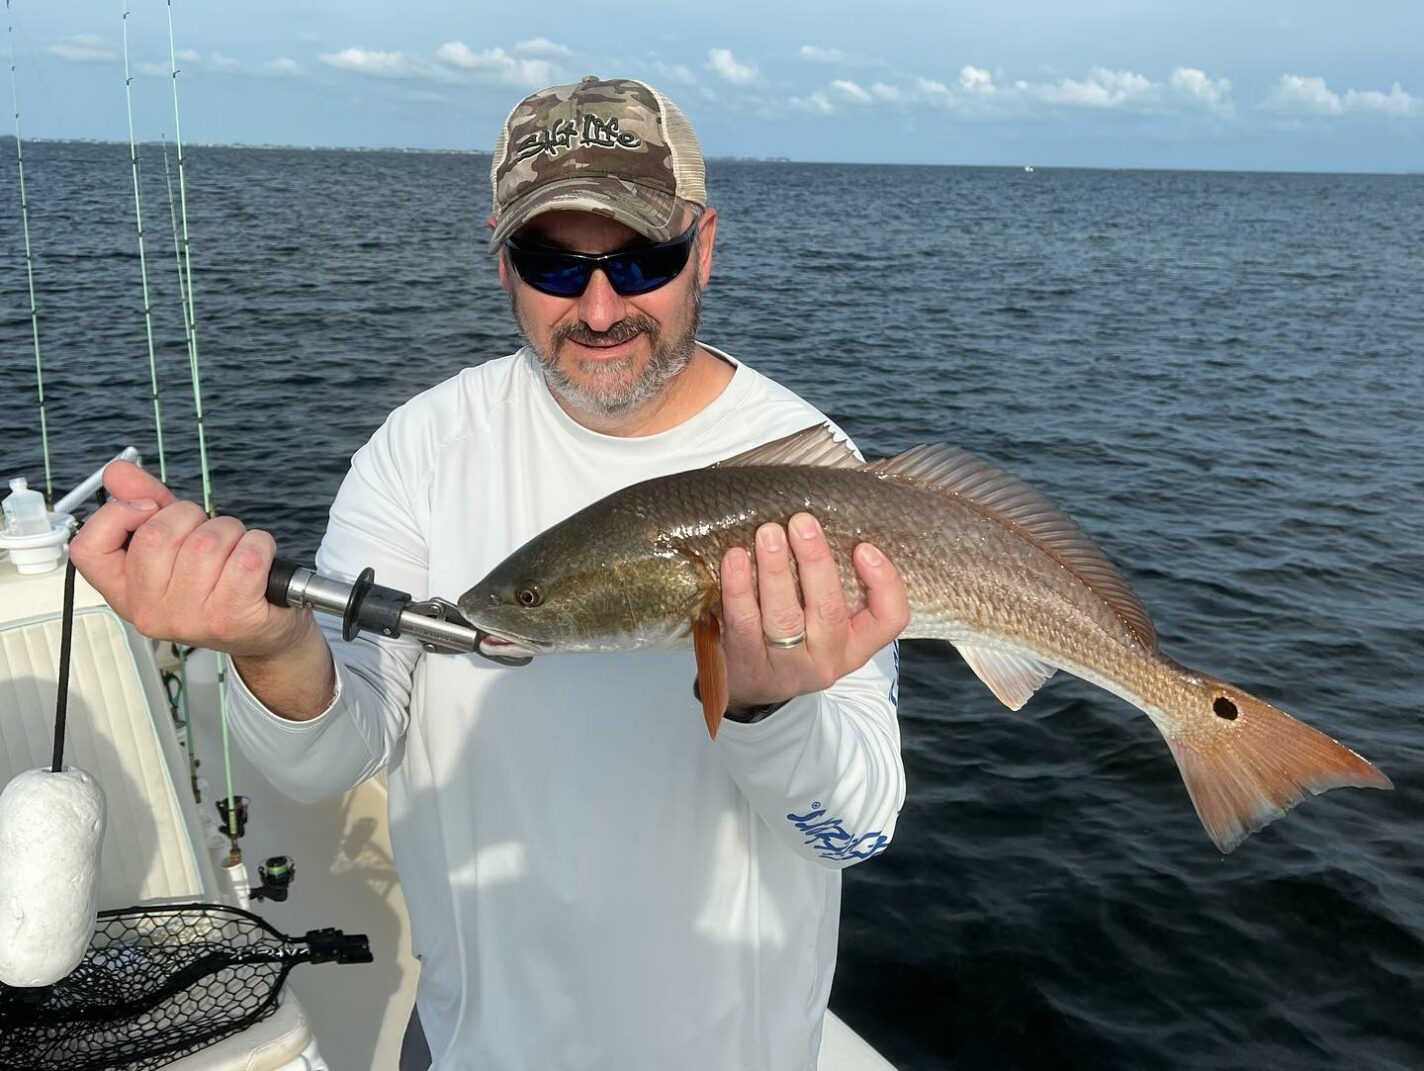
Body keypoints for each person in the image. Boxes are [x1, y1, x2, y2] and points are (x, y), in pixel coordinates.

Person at [71, 76, 910, 1071]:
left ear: (705, 249)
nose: (600, 308)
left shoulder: (813, 472)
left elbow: (851, 832)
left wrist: (771, 713)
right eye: (551, 264)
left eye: (642, 258)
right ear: (499, 260)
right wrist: (270, 643)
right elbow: (329, 756)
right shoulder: (421, 449)